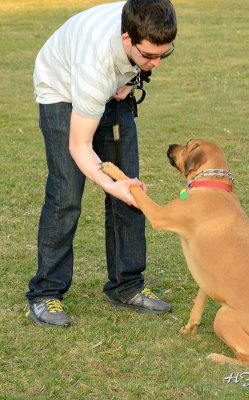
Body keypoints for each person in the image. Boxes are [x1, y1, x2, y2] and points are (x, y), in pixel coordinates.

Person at [26, 0, 177, 327]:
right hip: (61, 90)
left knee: (131, 190)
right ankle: (45, 293)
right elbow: (79, 146)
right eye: (149, 56)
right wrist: (111, 183)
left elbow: (142, 58)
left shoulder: (146, 20)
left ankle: (127, 285)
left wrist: (133, 77)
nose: (156, 64)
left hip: (106, 87)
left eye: (164, 54)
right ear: (127, 40)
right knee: (66, 193)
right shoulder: (95, 63)